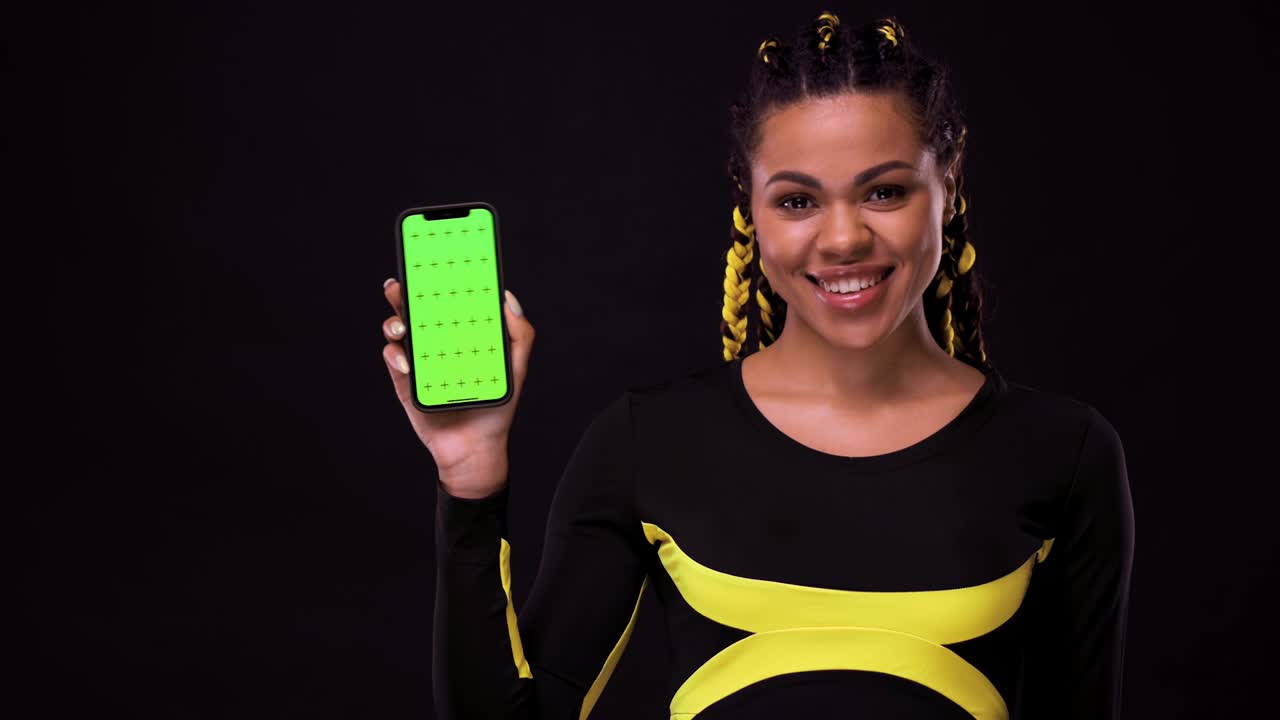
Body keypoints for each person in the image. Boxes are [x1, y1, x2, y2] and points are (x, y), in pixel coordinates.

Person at [380, 10, 1134, 720]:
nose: (842, 240)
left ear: (948, 182)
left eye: (885, 191)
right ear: (752, 208)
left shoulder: (1062, 454)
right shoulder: (648, 442)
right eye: (798, 202)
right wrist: (470, 479)